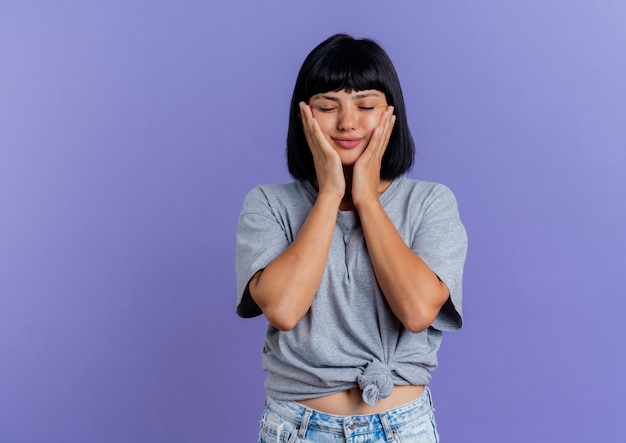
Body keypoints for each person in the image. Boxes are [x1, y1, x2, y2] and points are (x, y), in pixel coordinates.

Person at [236, 33, 467, 443]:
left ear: (390, 114)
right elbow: (284, 310)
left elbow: (417, 312)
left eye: (366, 105)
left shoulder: (431, 202)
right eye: (327, 106)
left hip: (402, 428)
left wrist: (366, 198)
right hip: (297, 428)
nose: (347, 122)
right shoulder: (269, 204)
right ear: (304, 114)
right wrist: (329, 194)